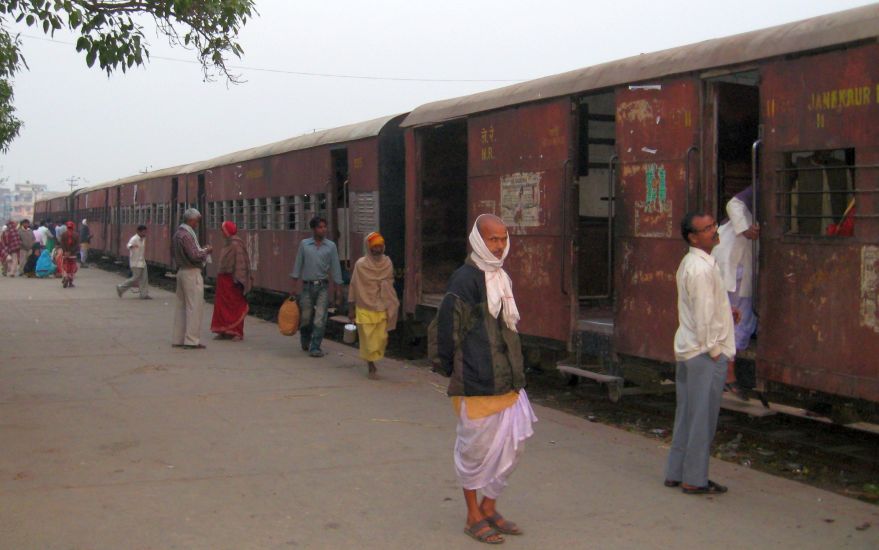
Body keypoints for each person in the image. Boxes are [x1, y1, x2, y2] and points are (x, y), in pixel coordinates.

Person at [435, 214, 537, 544]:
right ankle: (471, 514)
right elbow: (448, 330)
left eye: (503, 239)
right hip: (478, 381)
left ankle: (489, 506)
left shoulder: (501, 278)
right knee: (474, 453)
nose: (499, 246)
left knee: (513, 447)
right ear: (478, 241)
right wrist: (458, 369)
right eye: (493, 240)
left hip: (508, 382)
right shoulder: (464, 279)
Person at [664, 212, 738, 496]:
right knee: (702, 419)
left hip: (689, 348)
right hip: (704, 353)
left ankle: (676, 471)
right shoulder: (702, 269)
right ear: (693, 237)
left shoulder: (692, 263)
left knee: (687, 414)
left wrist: (725, 312)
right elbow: (704, 315)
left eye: (713, 226)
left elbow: (702, 307)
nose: (714, 231)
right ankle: (694, 478)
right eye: (706, 229)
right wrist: (717, 351)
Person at [712, 186, 759, 396]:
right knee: (734, 316)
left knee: (743, 318)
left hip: (743, 261)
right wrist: (745, 229)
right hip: (733, 260)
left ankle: (726, 370)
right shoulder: (759, 187)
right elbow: (733, 203)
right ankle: (727, 372)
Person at [348, 232, 400, 379]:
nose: (377, 250)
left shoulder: (387, 262)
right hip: (365, 306)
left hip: (383, 304)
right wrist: (351, 308)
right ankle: (370, 364)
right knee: (368, 340)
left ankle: (372, 360)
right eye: (374, 247)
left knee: (382, 338)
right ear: (368, 247)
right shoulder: (361, 264)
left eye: (380, 246)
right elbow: (353, 285)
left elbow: (389, 282)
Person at [290, 216, 343, 358]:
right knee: (306, 317)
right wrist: (294, 286)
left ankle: (315, 346)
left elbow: (335, 267)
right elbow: (298, 264)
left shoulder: (330, 246)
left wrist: (338, 289)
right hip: (307, 286)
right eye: (320, 227)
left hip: (323, 287)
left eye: (325, 227)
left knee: (320, 318)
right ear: (313, 229)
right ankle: (305, 339)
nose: (323, 229)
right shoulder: (304, 245)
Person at [171, 208, 212, 349]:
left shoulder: (177, 234)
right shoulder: (187, 236)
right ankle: (191, 340)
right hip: (191, 273)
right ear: (191, 220)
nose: (197, 224)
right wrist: (206, 251)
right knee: (194, 307)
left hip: (182, 271)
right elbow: (194, 255)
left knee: (181, 307)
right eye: (196, 221)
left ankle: (178, 338)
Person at [211, 221, 252, 341]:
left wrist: (240, 280)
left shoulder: (236, 244)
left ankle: (236, 332)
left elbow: (241, 264)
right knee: (222, 306)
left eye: (223, 230)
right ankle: (223, 330)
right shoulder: (227, 243)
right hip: (223, 281)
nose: (221, 233)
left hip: (233, 281)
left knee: (235, 306)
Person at [116, 225, 151, 299]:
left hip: (142, 262)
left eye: (145, 231)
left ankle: (144, 294)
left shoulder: (143, 239)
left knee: (144, 278)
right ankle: (121, 287)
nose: (145, 233)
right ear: (138, 231)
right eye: (143, 232)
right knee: (135, 278)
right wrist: (131, 246)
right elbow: (128, 245)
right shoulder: (134, 239)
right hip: (135, 262)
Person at [59, 221, 80, 288]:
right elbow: (77, 245)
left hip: (65, 254)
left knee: (65, 266)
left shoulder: (63, 234)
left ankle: (65, 276)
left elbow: (62, 244)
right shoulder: (76, 235)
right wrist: (71, 251)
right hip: (73, 255)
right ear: (73, 226)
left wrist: (65, 251)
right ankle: (70, 282)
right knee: (72, 268)